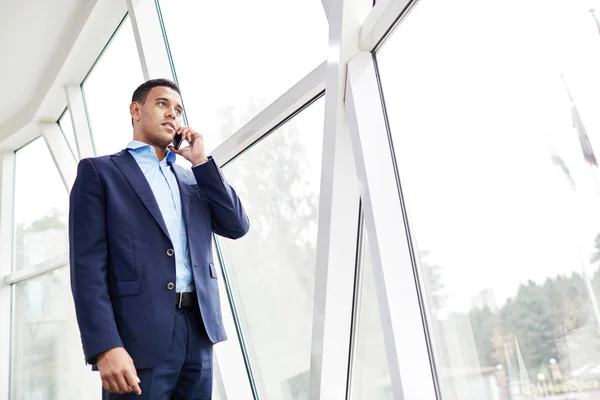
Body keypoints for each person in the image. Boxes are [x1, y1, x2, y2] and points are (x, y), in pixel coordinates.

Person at [69, 78, 249, 399]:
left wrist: (200, 162)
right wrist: (105, 346)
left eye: (178, 110)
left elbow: (236, 225)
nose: (172, 115)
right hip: (137, 336)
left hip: (198, 331)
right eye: (163, 104)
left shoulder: (192, 177)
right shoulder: (100, 173)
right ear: (135, 111)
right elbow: (87, 270)